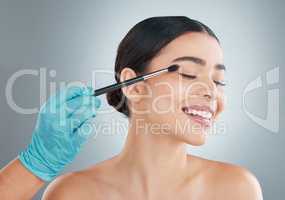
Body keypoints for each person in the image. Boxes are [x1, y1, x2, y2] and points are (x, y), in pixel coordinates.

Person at [0, 16, 263, 199]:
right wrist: (35, 164)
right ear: (135, 86)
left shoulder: (237, 188)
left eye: (219, 81)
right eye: (188, 73)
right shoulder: (72, 193)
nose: (211, 91)